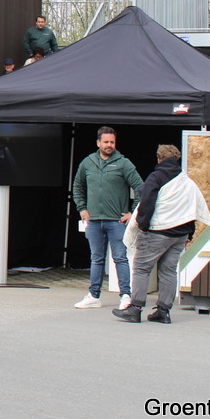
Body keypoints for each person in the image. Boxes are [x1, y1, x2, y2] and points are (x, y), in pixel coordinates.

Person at [113, 145, 210, 324]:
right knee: (168, 271)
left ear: (159, 158)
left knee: (142, 268)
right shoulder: (186, 181)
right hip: (180, 235)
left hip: (158, 232)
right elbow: (192, 207)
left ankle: (135, 309)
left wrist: (143, 226)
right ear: (176, 158)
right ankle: (163, 311)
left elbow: (146, 203)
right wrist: (190, 233)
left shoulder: (156, 177)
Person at [72, 126, 143, 309]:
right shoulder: (88, 163)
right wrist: (82, 208)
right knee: (96, 258)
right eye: (106, 142)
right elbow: (77, 186)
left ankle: (126, 295)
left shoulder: (123, 163)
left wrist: (132, 213)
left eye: (112, 142)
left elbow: (140, 188)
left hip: (116, 221)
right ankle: (94, 295)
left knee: (120, 258)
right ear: (98, 143)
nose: (109, 145)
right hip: (94, 220)